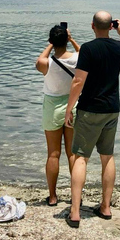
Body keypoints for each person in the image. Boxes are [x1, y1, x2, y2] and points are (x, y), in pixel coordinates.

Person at [63, 11, 120, 228]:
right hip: (112, 109)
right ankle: (106, 207)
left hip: (90, 108)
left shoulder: (88, 49)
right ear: (110, 26)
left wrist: (68, 109)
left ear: (92, 25)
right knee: (107, 156)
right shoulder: (119, 48)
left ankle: (75, 212)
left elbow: (78, 82)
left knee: (81, 157)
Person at [35, 25, 81, 206]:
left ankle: (53, 197)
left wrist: (50, 45)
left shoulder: (47, 63)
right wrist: (71, 40)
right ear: (66, 39)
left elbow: (40, 59)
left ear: (52, 41)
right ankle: (75, 196)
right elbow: (84, 52)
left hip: (52, 108)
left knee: (53, 154)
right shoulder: (78, 59)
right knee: (72, 154)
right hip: (73, 106)